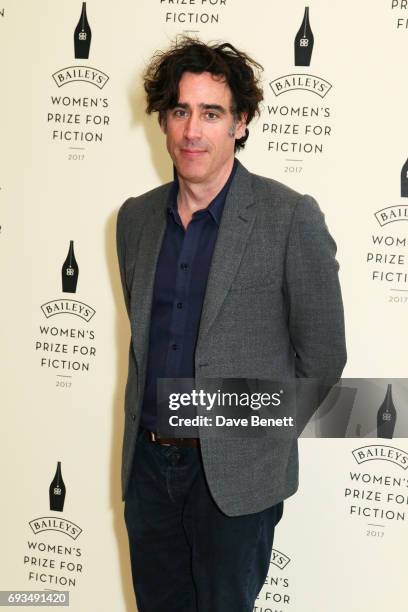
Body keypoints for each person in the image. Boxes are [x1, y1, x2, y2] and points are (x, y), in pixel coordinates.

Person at [116, 37, 347, 612]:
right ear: (164, 121)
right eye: (180, 111)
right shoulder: (135, 219)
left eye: (212, 113)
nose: (193, 130)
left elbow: (322, 358)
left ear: (240, 123)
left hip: (234, 480)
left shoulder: (290, 217)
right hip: (148, 471)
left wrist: (252, 440)